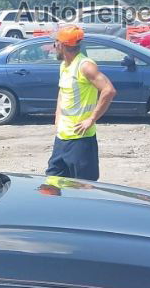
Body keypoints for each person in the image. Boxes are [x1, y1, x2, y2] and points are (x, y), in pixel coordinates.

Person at [46, 25, 116, 182]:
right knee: (52, 185)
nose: (54, 46)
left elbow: (108, 90)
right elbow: (62, 91)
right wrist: (57, 115)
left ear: (62, 45)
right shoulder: (64, 65)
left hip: (81, 140)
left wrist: (91, 119)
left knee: (84, 187)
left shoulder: (85, 66)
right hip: (62, 137)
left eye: (55, 43)